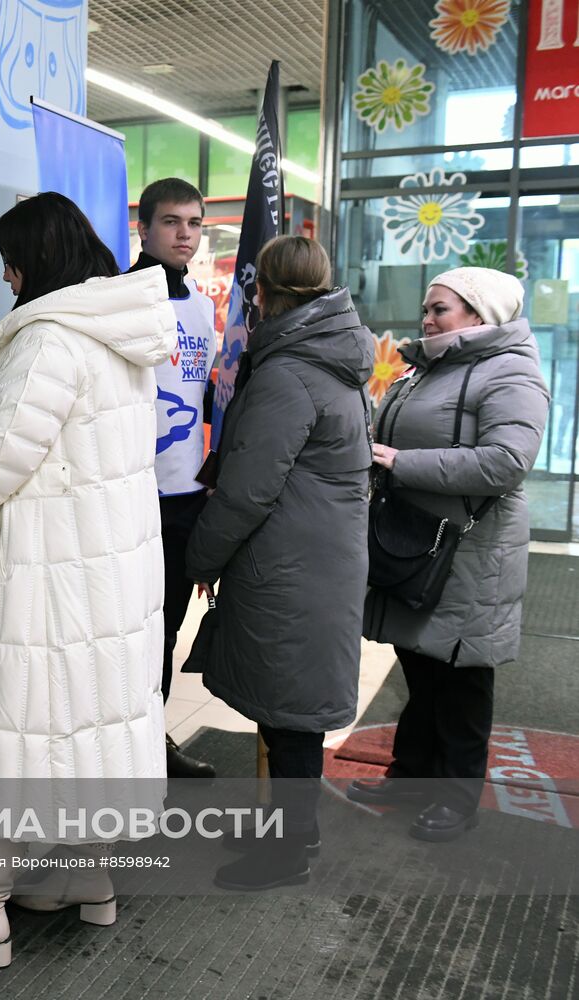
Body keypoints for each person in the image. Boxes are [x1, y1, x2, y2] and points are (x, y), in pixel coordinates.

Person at [0, 192, 176, 967]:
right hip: (103, 569)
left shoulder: (49, 339)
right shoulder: (115, 334)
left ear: (37, 258)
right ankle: (88, 878)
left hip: (40, 570)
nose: (7, 274)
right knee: (82, 722)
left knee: (7, 730)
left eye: (11, 258)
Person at [185, 236, 373, 891]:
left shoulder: (287, 372)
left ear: (261, 293)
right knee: (288, 708)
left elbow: (247, 489)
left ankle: (287, 851)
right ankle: (291, 832)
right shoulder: (329, 359)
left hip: (291, 563)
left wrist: (199, 556)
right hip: (316, 559)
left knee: (290, 718)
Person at [349, 267, 548, 842]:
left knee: (461, 679)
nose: (427, 318)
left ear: (480, 317)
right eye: (428, 307)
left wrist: (398, 462)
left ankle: (456, 798)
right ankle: (409, 778)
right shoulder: (428, 367)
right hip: (422, 539)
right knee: (423, 668)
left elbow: (507, 462)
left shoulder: (510, 373)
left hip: (472, 550)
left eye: (441, 309)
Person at [129, 177, 218, 780]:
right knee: (128, 635)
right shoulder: (119, 298)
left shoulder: (206, 308)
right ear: (144, 227)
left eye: (193, 223)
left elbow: (207, 394)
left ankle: (152, 746)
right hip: (131, 495)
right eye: (171, 222)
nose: (184, 234)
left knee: (168, 631)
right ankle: (124, 755)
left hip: (187, 495)